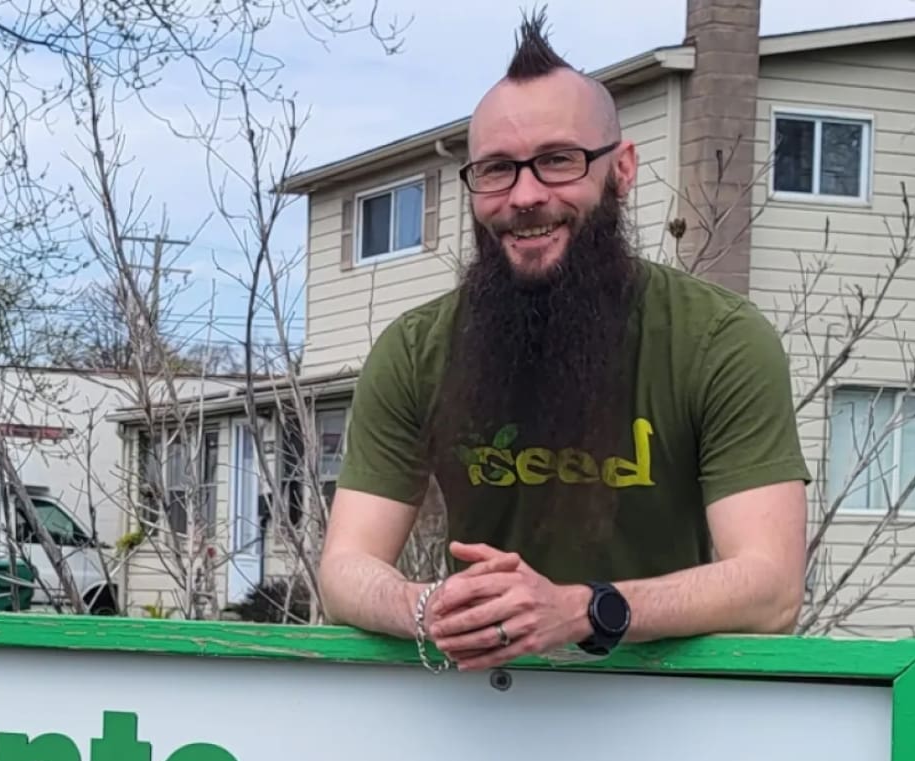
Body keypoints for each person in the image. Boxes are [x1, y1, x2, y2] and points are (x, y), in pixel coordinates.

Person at [318, 13, 810, 671]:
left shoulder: (719, 341)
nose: (524, 196)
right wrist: (425, 608)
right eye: (496, 170)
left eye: (557, 161)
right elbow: (346, 568)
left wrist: (579, 611)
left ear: (623, 168)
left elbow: (771, 590)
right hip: (474, 705)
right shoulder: (416, 351)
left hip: (669, 711)